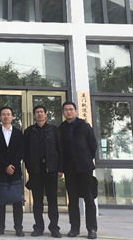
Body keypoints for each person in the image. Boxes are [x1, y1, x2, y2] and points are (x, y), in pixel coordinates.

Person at [24, 105, 64, 238]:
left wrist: (60, 169)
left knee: (52, 200)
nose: (39, 114)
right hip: (36, 170)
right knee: (37, 201)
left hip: (51, 169)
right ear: (34, 115)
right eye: (37, 112)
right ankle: (38, 227)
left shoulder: (54, 130)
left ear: (46, 114)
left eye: (42, 112)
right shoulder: (29, 131)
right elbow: (25, 152)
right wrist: (29, 168)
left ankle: (54, 228)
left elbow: (60, 150)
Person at [59, 101, 98, 240]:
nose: (68, 112)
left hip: (85, 167)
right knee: (73, 199)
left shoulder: (84, 126)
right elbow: (60, 149)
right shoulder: (61, 128)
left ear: (75, 111)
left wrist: (85, 158)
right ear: (63, 112)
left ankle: (92, 229)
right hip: (69, 168)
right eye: (66, 110)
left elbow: (93, 145)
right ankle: (74, 228)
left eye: (71, 109)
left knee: (89, 199)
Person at [0, 106, 25, 237]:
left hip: (15, 171)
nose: (6, 116)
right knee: (1, 200)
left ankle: (19, 228)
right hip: (0, 171)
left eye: (8, 114)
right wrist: (6, 165)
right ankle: (0, 227)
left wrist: (12, 165)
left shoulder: (18, 133)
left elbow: (22, 150)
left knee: (17, 201)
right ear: (0, 117)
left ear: (12, 117)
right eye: (3, 114)